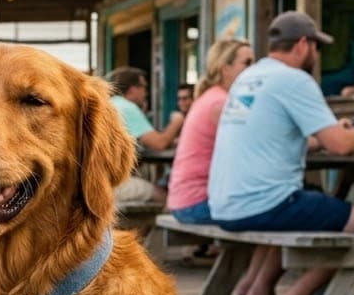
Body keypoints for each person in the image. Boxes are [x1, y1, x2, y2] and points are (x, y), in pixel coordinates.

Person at [207, 11, 354, 295]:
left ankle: (257, 293)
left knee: (300, 204)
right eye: (316, 48)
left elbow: (276, 134)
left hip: (224, 204)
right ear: (304, 45)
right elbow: (339, 145)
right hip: (261, 204)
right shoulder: (294, 79)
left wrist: (325, 137)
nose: (316, 56)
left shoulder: (250, 77)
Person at [167, 39, 254, 223]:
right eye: (247, 63)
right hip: (197, 203)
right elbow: (255, 145)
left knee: (273, 210)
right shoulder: (220, 104)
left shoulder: (212, 96)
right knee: (272, 211)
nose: (254, 69)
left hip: (186, 200)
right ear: (225, 69)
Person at [106, 66, 183, 206]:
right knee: (165, 197)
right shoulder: (127, 107)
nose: (146, 93)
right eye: (144, 87)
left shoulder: (111, 104)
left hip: (97, 181)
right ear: (133, 89)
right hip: (109, 186)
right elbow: (159, 144)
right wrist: (178, 121)